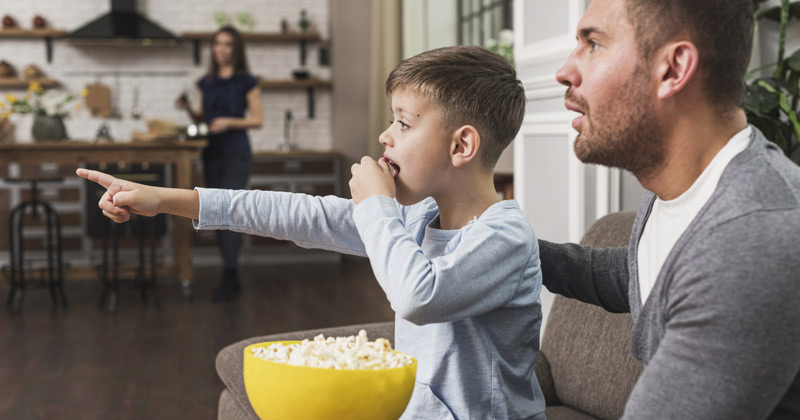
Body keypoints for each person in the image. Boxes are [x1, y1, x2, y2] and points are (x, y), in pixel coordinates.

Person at [79, 46, 545, 419]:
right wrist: (164, 200)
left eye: (403, 122)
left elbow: (418, 296)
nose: (385, 136)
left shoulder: (504, 237)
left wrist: (378, 205)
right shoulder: (417, 217)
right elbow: (294, 213)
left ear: (461, 145)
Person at [542, 0, 800, 418]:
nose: (565, 71)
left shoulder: (749, 239)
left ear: (675, 69)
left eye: (593, 43)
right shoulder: (685, 184)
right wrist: (518, 252)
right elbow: (639, 274)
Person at [176, 25, 263, 302]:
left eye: (227, 44)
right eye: (217, 44)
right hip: (211, 154)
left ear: (236, 49)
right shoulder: (206, 82)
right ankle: (228, 272)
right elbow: (203, 119)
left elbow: (257, 119)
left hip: (236, 153)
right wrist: (188, 109)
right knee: (214, 213)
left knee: (231, 213)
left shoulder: (246, 81)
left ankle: (230, 274)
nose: (221, 49)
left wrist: (229, 121)